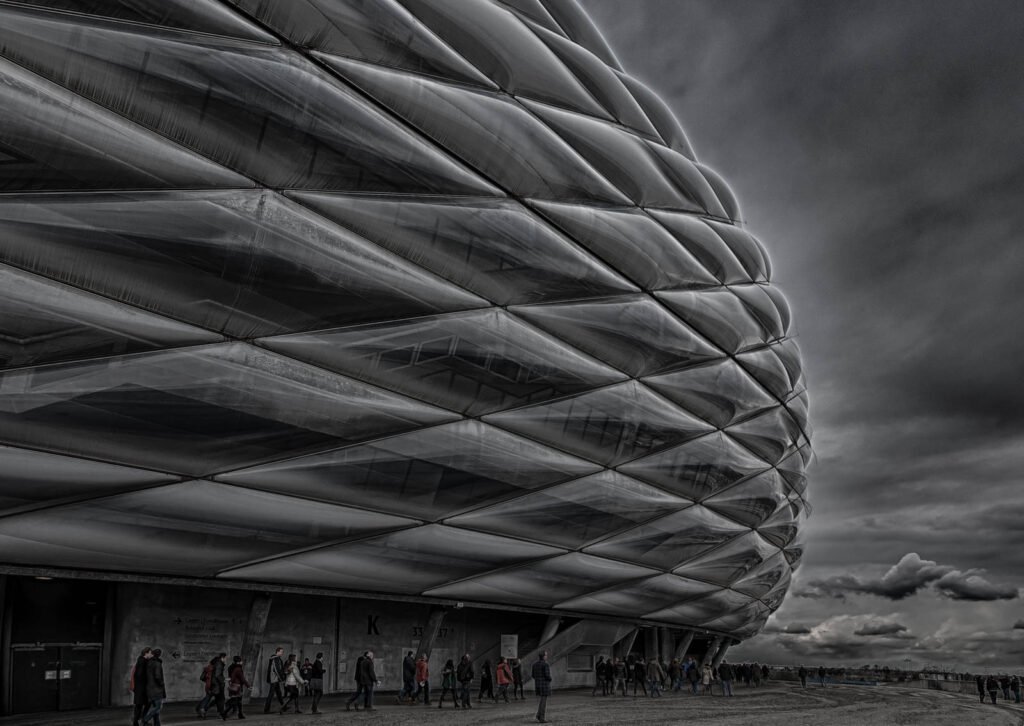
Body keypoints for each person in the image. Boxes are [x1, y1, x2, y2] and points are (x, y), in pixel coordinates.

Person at [196, 653, 227, 719]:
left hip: (211, 684)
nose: (226, 659)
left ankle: (201, 709)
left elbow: (205, 677)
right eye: (225, 658)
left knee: (210, 697)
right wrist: (223, 681)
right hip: (216, 685)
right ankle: (220, 713)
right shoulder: (219, 664)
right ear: (222, 657)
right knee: (220, 699)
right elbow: (217, 675)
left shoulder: (213, 665)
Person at [141, 649, 165, 726]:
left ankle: (157, 724)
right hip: (156, 689)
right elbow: (157, 676)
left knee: (155, 708)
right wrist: (161, 684)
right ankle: (145, 720)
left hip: (149, 689)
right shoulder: (157, 664)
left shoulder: (149, 663)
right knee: (157, 707)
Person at [222, 655, 250, 720]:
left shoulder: (231, 667)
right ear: (238, 662)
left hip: (233, 685)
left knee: (239, 701)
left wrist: (231, 682)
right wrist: (248, 686)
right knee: (235, 701)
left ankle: (240, 714)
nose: (242, 662)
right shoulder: (238, 669)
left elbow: (231, 677)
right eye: (241, 661)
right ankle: (224, 713)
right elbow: (242, 679)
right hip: (238, 686)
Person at [131, 647, 152, 726]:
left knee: (139, 705)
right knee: (143, 704)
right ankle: (140, 720)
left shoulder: (140, 661)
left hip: (140, 688)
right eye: (150, 653)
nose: (151, 654)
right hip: (142, 688)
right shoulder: (143, 662)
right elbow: (140, 675)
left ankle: (137, 721)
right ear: (146, 653)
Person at [263, 647, 286, 714]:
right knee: (271, 694)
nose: (282, 653)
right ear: (277, 652)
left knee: (279, 693)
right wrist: (282, 679)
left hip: (274, 679)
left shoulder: (275, 658)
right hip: (274, 679)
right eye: (281, 652)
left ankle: (284, 706)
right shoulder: (276, 659)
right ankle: (266, 710)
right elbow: (277, 670)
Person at [532, 650, 552, 724]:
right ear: (543, 656)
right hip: (544, 684)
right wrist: (550, 679)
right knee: (543, 701)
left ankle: (538, 715)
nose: (547, 656)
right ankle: (542, 718)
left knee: (542, 700)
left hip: (537, 684)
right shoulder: (545, 664)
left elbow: (533, 675)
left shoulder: (534, 664)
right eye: (546, 655)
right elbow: (547, 676)